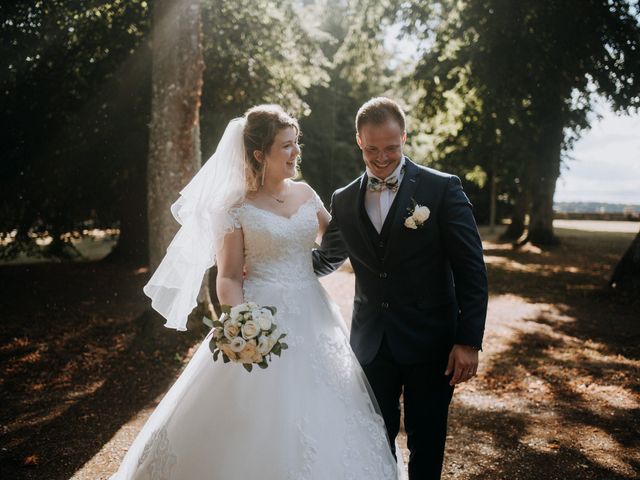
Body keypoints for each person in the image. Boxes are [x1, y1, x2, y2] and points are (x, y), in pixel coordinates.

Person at [109, 104, 400, 479]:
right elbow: (228, 276)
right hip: (261, 316)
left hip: (314, 316)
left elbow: (340, 241)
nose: (296, 153)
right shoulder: (235, 206)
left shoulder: (307, 194)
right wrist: (242, 318)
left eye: (296, 144)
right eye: (287, 146)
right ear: (260, 153)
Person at [313, 97, 488, 480]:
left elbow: (471, 269)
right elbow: (328, 259)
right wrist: (266, 265)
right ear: (359, 140)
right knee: (373, 439)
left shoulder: (442, 189)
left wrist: (469, 340)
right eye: (372, 148)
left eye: (391, 148)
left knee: (426, 440)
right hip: (371, 342)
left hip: (432, 343)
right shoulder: (343, 200)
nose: (381, 158)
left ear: (404, 137)